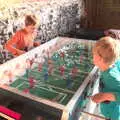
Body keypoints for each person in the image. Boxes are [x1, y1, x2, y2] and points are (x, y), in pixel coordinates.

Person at [91, 36, 120, 120]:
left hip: (113, 116)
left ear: (100, 59)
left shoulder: (111, 77)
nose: (92, 56)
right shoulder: (114, 63)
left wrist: (105, 96)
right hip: (109, 110)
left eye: (94, 54)